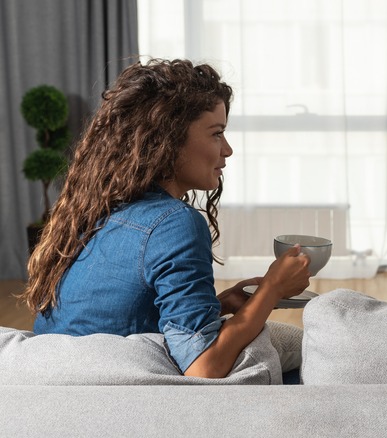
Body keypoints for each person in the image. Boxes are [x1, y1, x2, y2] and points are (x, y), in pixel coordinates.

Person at [20, 59, 312, 379]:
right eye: (217, 134)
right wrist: (272, 288)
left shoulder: (94, 209)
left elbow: (119, 320)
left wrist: (221, 304)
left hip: (58, 383)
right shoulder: (174, 223)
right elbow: (203, 368)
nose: (227, 150)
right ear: (168, 139)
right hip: (115, 397)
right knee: (300, 350)